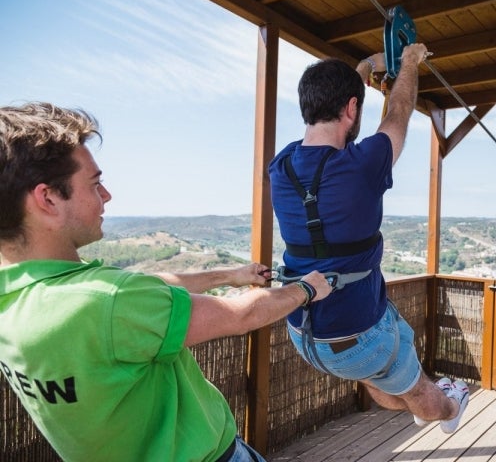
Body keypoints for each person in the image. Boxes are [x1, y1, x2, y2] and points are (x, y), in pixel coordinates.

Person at [0, 102, 332, 462]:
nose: (107, 195)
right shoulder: (107, 300)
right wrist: (307, 288)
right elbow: (239, 316)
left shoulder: (17, 300)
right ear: (48, 198)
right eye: (95, 184)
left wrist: (229, 275)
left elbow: (146, 285)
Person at [267, 44, 469, 434]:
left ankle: (419, 392)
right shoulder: (361, 165)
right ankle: (448, 406)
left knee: (384, 366)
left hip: (305, 333)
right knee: (417, 391)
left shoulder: (282, 166)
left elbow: (340, 117)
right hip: (359, 334)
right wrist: (409, 63)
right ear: (353, 109)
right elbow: (399, 112)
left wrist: (362, 68)